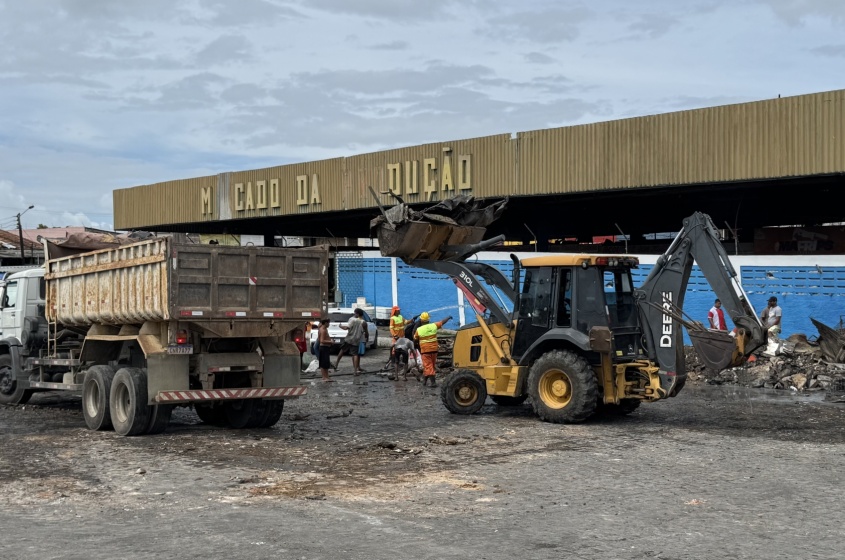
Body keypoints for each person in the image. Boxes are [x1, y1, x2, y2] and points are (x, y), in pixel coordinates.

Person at [414, 311, 452, 387]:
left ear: (421, 320)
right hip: (434, 350)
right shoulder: (433, 325)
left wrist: (417, 347)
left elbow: (415, 339)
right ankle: (424, 381)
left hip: (425, 351)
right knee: (430, 365)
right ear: (428, 320)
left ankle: (433, 383)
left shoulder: (419, 330)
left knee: (428, 366)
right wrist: (448, 317)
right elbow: (442, 322)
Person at [334, 308, 369, 375]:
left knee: (342, 351)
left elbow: (346, 328)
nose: (354, 314)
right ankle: (355, 371)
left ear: (357, 314)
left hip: (349, 338)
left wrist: (340, 326)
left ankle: (336, 365)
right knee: (355, 354)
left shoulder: (352, 320)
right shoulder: (364, 322)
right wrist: (367, 338)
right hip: (356, 340)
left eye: (355, 313)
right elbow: (366, 332)